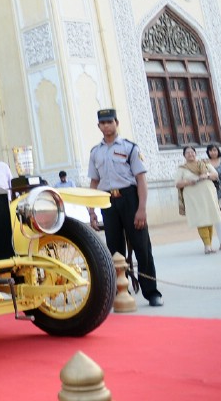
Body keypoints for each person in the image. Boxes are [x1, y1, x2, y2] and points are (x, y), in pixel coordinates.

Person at [87, 108, 164, 307]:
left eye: (109, 122)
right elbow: (94, 182)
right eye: (102, 123)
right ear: (98, 126)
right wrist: (92, 210)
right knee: (114, 248)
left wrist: (142, 209)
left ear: (116, 122)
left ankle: (152, 292)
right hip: (107, 201)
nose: (106, 126)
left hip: (130, 198)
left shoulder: (130, 148)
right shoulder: (95, 152)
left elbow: (141, 180)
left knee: (141, 246)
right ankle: (120, 290)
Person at [175, 145, 221, 254]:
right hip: (193, 199)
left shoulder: (205, 163)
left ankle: (210, 244)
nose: (190, 154)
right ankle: (207, 246)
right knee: (201, 220)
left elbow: (215, 175)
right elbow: (177, 183)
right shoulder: (182, 168)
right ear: (184, 155)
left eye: (192, 152)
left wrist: (207, 175)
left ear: (195, 153)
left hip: (208, 195)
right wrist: (189, 182)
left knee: (209, 218)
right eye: (188, 153)